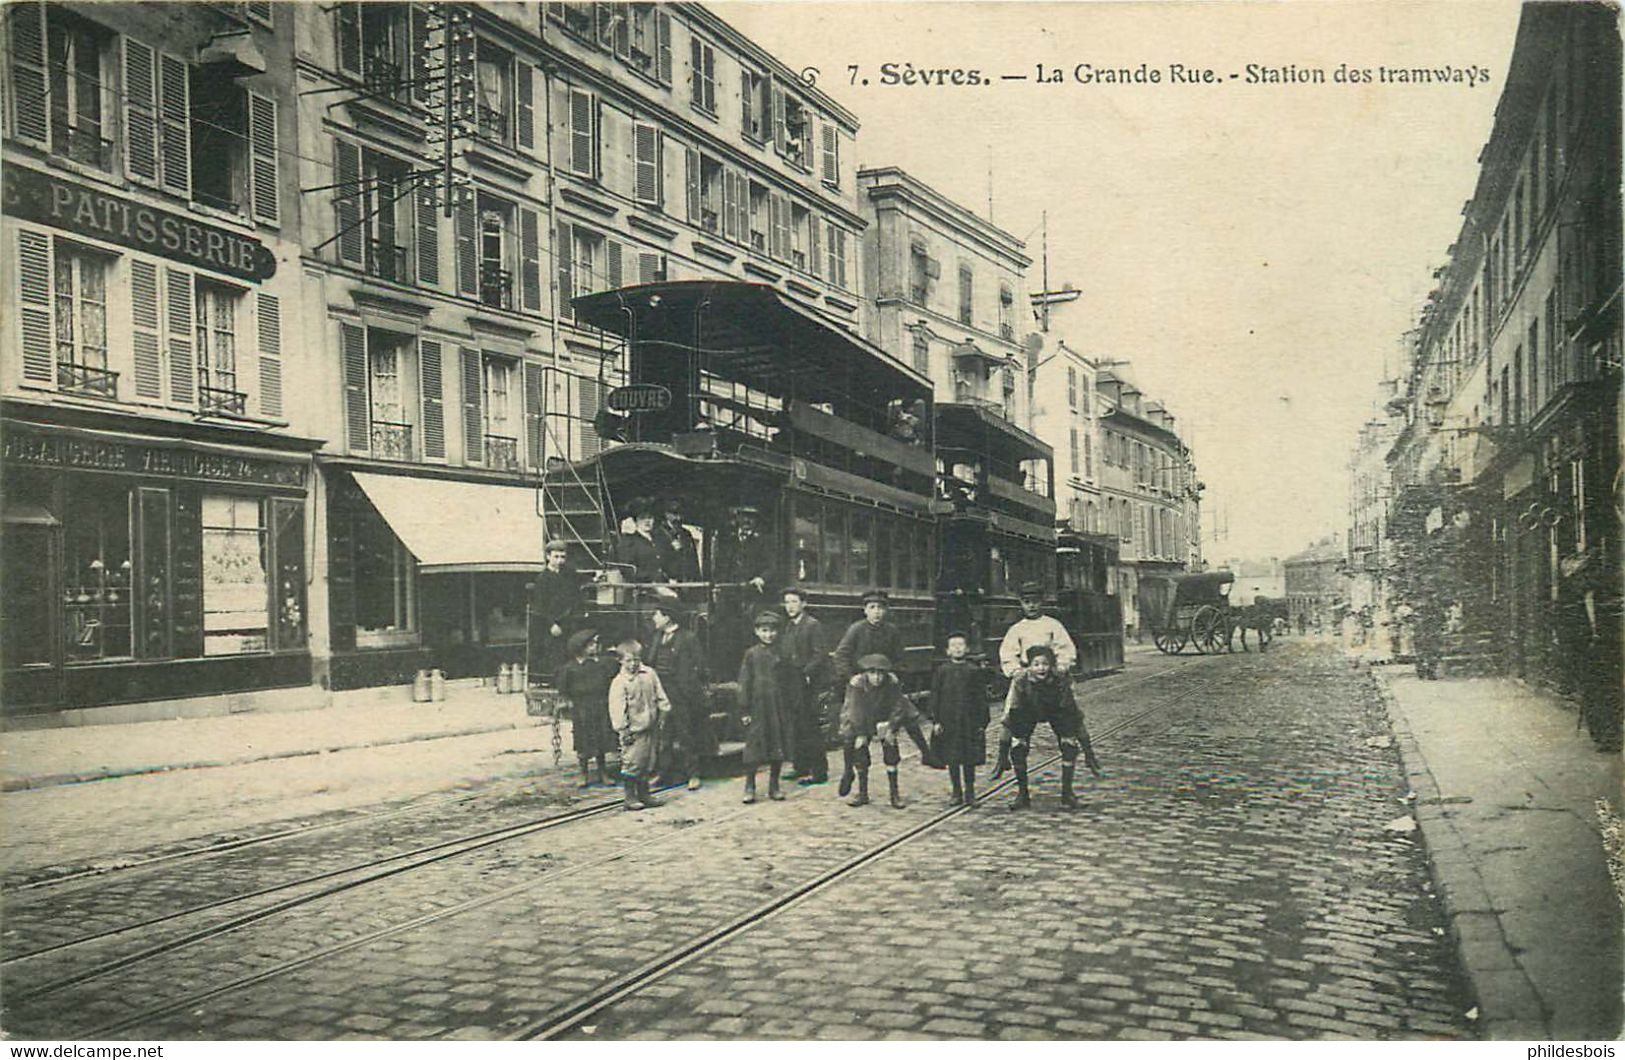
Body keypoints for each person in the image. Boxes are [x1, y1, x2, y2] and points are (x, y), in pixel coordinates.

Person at [994, 644, 1100, 809]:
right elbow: (1011, 716)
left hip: (1056, 709)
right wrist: (1002, 755)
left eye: (1045, 664)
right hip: (1027, 709)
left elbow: (1072, 714)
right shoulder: (1020, 681)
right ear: (1028, 666)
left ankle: (1067, 794)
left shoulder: (1060, 679)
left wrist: (1088, 753)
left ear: (1051, 666)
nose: (1041, 668)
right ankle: (1022, 795)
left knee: (1069, 745)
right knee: (1018, 747)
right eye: (1036, 664)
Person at [838, 653, 931, 809]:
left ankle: (894, 794)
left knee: (891, 748)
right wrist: (861, 733)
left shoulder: (892, 683)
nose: (877, 677)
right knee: (858, 748)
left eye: (880, 673)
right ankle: (862, 792)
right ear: (865, 673)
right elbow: (855, 711)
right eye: (872, 673)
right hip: (863, 720)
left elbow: (898, 706)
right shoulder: (857, 685)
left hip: (884, 718)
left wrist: (891, 726)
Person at [737, 611, 800, 804]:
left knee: (777, 745)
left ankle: (774, 785)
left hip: (779, 707)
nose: (769, 635)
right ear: (757, 632)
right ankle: (750, 786)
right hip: (758, 706)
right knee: (754, 748)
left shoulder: (784, 653)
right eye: (764, 631)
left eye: (772, 631)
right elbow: (744, 681)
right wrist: (744, 709)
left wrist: (792, 704)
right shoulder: (751, 654)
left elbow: (792, 681)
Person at [645, 596, 706, 791]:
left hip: (681, 694)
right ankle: (663, 773)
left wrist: (691, 689)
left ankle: (693, 774)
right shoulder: (656, 637)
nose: (654, 618)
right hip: (661, 692)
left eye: (657, 614)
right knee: (664, 736)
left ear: (668, 617)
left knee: (685, 734)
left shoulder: (688, 638)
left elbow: (700, 666)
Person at [607, 639, 671, 811]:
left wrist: (663, 713)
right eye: (628, 660)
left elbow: (660, 695)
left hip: (651, 726)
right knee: (632, 762)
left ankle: (645, 794)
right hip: (633, 730)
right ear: (620, 661)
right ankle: (630, 796)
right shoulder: (620, 682)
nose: (633, 663)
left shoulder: (649, 674)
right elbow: (617, 709)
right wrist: (623, 729)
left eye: (636, 659)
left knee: (647, 762)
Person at [930, 632, 991, 807]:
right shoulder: (942, 671)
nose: (957, 648)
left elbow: (981, 698)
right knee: (952, 758)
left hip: (969, 722)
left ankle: (970, 793)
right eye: (953, 646)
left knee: (969, 759)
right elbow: (935, 696)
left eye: (960, 645)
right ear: (947, 651)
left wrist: (982, 722)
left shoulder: (974, 671)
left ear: (967, 649)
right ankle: (956, 792)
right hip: (948, 722)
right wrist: (936, 720)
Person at [777, 587, 831, 785]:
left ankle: (819, 771)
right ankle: (800, 766)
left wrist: (807, 672)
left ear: (803, 604)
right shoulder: (789, 626)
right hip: (793, 682)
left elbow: (820, 653)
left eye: (793, 602)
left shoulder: (812, 625)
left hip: (808, 683)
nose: (790, 606)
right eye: (787, 602)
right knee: (797, 725)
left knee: (810, 727)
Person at [554, 629, 617, 787]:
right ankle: (584, 773)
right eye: (591, 644)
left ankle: (603, 772)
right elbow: (563, 690)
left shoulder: (600, 664)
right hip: (581, 709)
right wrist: (565, 703)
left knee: (601, 739)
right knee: (583, 741)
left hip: (600, 706)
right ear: (581, 648)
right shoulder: (569, 668)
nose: (595, 647)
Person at [998, 582, 1077, 679]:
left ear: (1042, 602)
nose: (1031, 606)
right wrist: (1015, 670)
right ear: (1021, 604)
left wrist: (1062, 665)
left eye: (1035, 602)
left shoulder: (1053, 625)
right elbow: (1008, 653)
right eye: (1027, 602)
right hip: (1026, 675)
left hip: (1050, 674)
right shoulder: (1016, 629)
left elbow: (1065, 648)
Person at [528, 541, 581, 682]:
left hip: (568, 621)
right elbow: (540, 607)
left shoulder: (568, 575)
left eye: (562, 557)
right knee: (555, 655)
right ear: (547, 557)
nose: (559, 561)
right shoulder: (542, 579)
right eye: (556, 557)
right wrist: (551, 624)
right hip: (552, 625)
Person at [832, 589, 908, 687]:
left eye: (880, 608)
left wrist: (895, 674)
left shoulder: (892, 631)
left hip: (885, 682)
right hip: (861, 683)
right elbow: (841, 655)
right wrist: (850, 677)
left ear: (885, 610)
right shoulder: (856, 629)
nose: (876, 611)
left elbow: (900, 658)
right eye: (872, 607)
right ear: (865, 610)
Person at [616, 499, 666, 584]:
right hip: (642, 587)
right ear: (635, 520)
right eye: (642, 517)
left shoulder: (659, 539)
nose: (647, 521)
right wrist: (651, 581)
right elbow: (628, 570)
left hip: (665, 584)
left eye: (650, 517)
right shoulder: (629, 542)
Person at [655, 499, 701, 584]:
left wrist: (695, 576)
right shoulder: (659, 533)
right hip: (669, 579)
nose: (678, 518)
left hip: (686, 577)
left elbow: (692, 556)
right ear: (666, 514)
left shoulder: (686, 533)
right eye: (674, 514)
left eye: (680, 514)